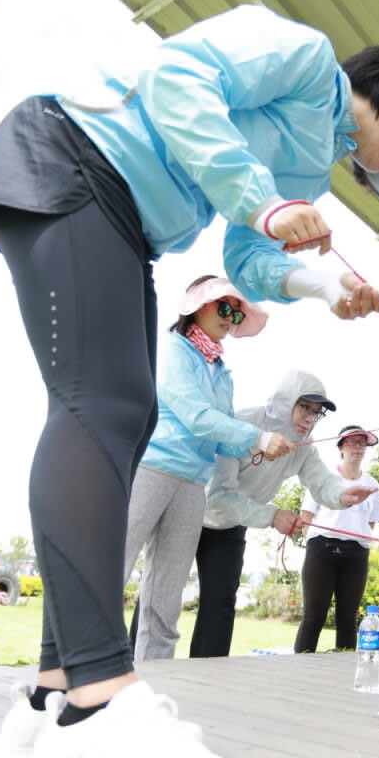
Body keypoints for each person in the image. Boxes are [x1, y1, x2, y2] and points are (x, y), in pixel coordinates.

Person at [0, 4, 379, 758]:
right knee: (101, 407)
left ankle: (50, 702)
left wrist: (325, 284)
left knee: (119, 417)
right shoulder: (306, 57)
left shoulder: (309, 165)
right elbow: (175, 78)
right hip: (72, 156)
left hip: (121, 217)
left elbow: (247, 255)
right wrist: (267, 209)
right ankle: (97, 702)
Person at [123, 276, 276, 662]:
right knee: (113, 567)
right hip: (151, 469)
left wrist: (255, 448)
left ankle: (153, 675)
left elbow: (220, 436)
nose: (232, 318)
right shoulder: (174, 351)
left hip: (193, 483)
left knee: (167, 590)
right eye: (225, 308)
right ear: (197, 306)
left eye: (237, 312)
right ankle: (79, 667)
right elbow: (196, 416)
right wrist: (256, 437)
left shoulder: (221, 372)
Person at [192, 371, 377, 658]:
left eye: (316, 413)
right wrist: (273, 515)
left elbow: (322, 480)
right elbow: (218, 497)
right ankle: (145, 671)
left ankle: (207, 680)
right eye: (304, 407)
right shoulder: (244, 424)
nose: (310, 418)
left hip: (230, 527)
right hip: (189, 514)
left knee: (220, 605)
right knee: (161, 600)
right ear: (284, 400)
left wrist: (343, 494)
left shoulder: (303, 445)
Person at [293, 425, 379, 653]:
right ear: (342, 446)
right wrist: (316, 546)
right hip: (321, 550)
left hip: (356, 554)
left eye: (362, 442)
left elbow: (370, 522)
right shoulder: (325, 478)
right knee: (314, 615)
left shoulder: (372, 484)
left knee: (348, 617)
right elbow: (306, 517)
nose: (357, 447)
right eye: (352, 442)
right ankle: (300, 667)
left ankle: (345, 671)